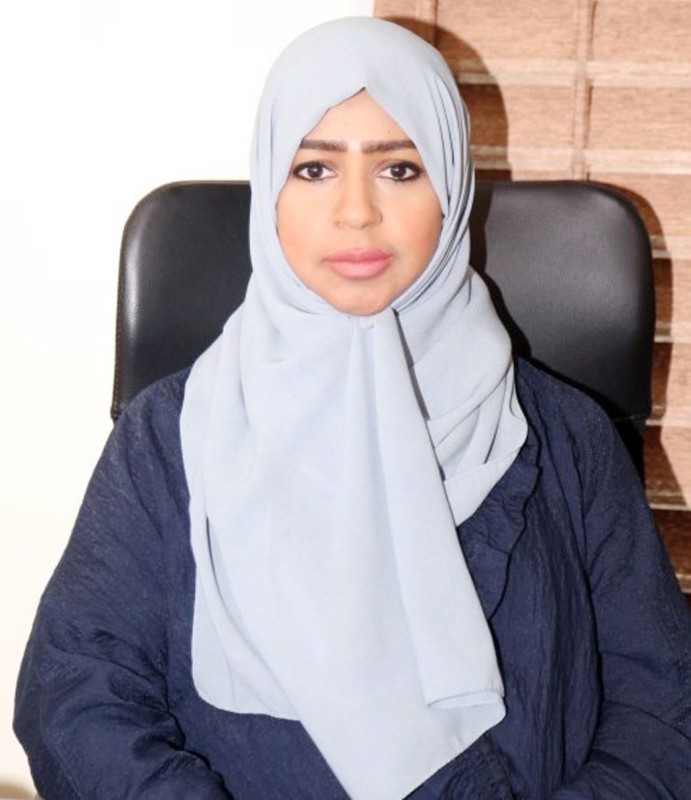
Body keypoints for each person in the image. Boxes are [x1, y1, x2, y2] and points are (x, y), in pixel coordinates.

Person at [14, 17, 691, 800]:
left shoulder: (565, 434)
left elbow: (662, 706)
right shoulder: (170, 434)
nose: (357, 211)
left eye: (400, 169)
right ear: (269, 194)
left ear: (452, 190)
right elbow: (77, 698)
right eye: (313, 169)